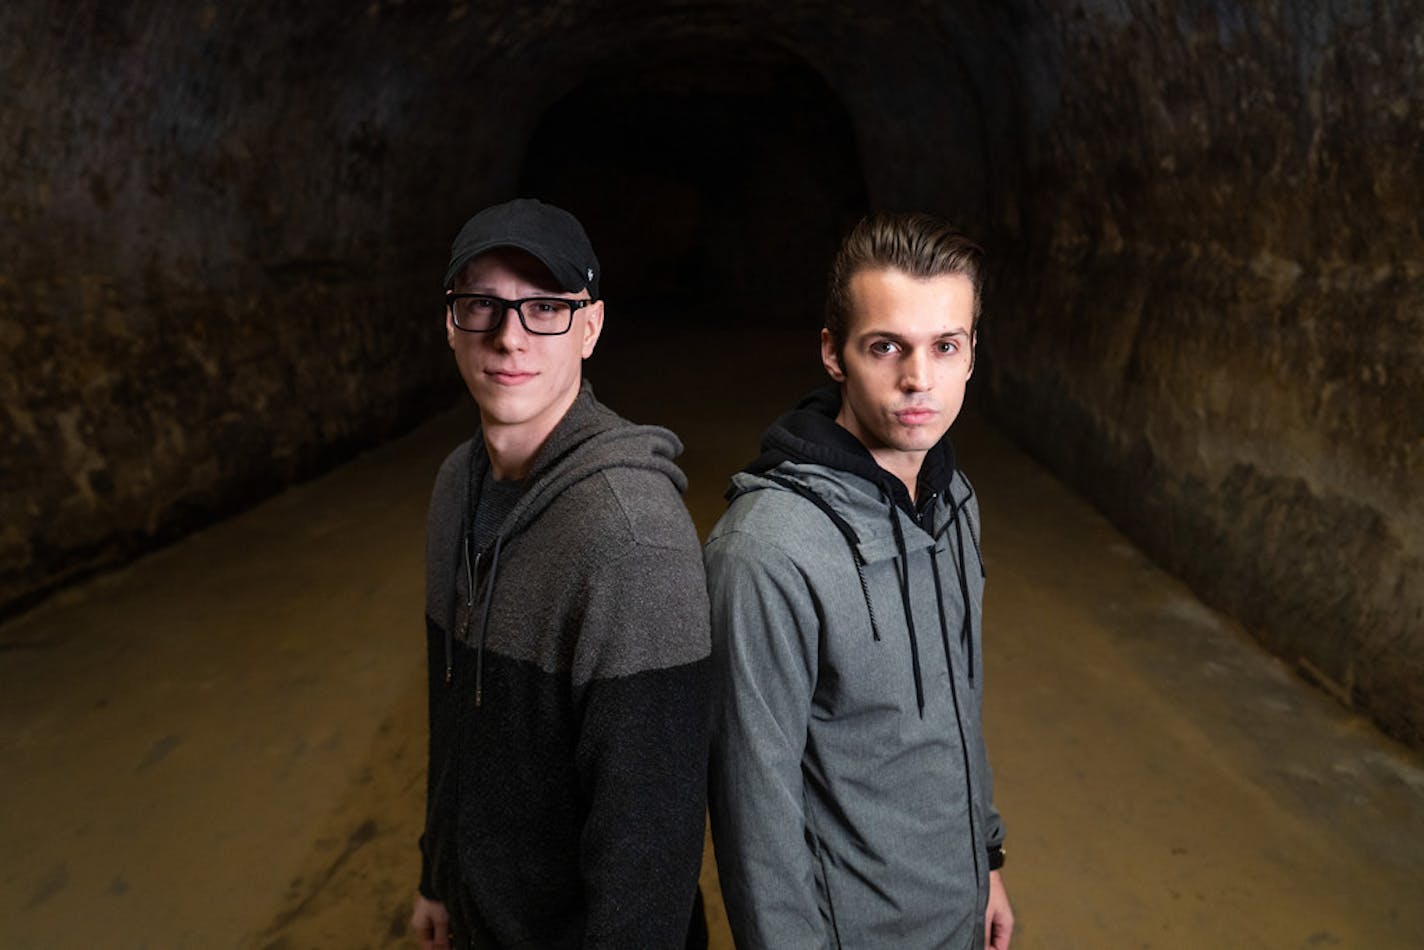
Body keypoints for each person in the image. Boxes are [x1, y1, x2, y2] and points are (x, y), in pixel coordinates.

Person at [704, 211, 1014, 949]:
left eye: (946, 346)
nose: (919, 379)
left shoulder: (954, 501)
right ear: (834, 354)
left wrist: (988, 861)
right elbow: (753, 814)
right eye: (887, 348)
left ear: (971, 355)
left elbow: (957, 709)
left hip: (959, 913)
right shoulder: (767, 551)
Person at [410, 198, 711, 950]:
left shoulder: (631, 538)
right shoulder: (457, 483)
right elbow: (450, 711)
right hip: (481, 916)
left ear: (590, 327)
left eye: (545, 307)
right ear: (451, 322)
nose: (509, 336)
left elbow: (650, 843)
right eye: (482, 304)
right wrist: (436, 874)